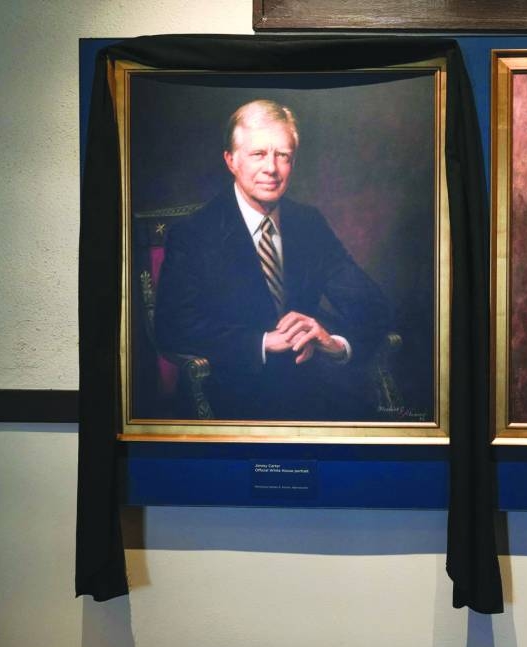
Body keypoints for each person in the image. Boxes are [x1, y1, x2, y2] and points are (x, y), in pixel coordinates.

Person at [155, 99, 390, 420]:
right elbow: (172, 328)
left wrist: (333, 343)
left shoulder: (309, 223)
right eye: (258, 154)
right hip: (225, 393)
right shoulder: (194, 234)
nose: (271, 168)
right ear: (231, 160)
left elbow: (372, 305)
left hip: (310, 388)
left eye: (283, 155)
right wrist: (263, 342)